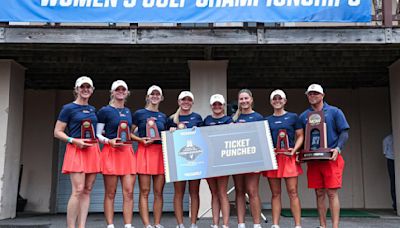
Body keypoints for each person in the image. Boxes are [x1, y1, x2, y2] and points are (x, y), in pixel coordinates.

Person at [299, 84, 349, 228]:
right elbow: (301, 137)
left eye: (315, 93)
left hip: (331, 158)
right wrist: (299, 151)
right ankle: (322, 225)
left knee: (332, 193)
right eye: (309, 94)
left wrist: (338, 149)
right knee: (319, 193)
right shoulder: (304, 116)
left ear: (322, 95)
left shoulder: (335, 112)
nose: (312, 96)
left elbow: (344, 132)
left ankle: (335, 226)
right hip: (313, 160)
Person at [53, 76, 101, 228]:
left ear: (92, 90)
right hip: (76, 149)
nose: (85, 90)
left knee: (87, 190)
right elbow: (57, 132)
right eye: (82, 87)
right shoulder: (68, 108)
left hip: (92, 150)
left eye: (88, 87)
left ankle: (82, 226)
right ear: (76, 90)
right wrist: (74, 141)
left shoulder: (93, 109)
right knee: (78, 190)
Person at [96, 80, 137, 228]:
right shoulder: (104, 111)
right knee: (110, 193)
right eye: (117, 89)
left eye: (123, 89)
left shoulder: (128, 111)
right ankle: (110, 225)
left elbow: (130, 133)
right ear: (112, 92)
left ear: (127, 93)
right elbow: (97, 134)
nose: (120, 91)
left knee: (129, 192)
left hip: (126, 152)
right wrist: (109, 141)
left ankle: (127, 225)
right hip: (111, 152)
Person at [263, 89, 303, 228]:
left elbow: (301, 136)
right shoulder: (267, 120)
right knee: (275, 193)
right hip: (274, 159)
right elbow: (264, 139)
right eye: (274, 98)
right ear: (271, 102)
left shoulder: (293, 117)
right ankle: (275, 224)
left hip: (289, 158)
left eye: (280, 98)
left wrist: (295, 150)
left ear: (285, 101)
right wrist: (270, 150)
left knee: (293, 192)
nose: (277, 101)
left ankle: (298, 225)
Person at [131, 85, 168, 228]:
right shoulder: (139, 114)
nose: (155, 96)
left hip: (159, 153)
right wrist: (140, 140)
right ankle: (147, 224)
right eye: (152, 94)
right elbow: (129, 133)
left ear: (161, 97)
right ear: (147, 96)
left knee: (159, 192)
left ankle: (157, 223)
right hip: (144, 151)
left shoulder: (163, 117)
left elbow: (166, 136)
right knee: (145, 191)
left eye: (157, 94)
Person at [168, 91, 203, 228]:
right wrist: (170, 132)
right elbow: (165, 139)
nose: (186, 102)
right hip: (178, 161)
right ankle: (180, 224)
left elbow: (203, 138)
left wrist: (197, 132)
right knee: (179, 192)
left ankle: (193, 223)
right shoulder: (171, 119)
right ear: (178, 102)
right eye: (183, 100)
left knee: (194, 192)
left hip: (194, 159)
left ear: (192, 102)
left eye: (189, 100)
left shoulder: (198, 118)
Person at [231, 89, 264, 228]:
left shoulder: (258, 117)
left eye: (246, 98)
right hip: (237, 159)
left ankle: (256, 224)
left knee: (252, 190)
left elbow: (262, 140)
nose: (244, 101)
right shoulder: (233, 119)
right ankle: (241, 223)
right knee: (239, 190)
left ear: (251, 100)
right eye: (241, 99)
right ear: (238, 101)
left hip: (253, 159)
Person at [203, 94, 233, 228]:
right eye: (214, 104)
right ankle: (215, 223)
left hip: (223, 160)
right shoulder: (206, 120)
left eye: (219, 104)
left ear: (223, 106)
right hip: (209, 160)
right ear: (211, 106)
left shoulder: (228, 120)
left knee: (222, 192)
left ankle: (225, 224)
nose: (217, 106)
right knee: (214, 193)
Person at [383, 133, 397, 213]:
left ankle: (395, 205)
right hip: (391, 160)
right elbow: (385, 152)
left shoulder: (387, 139)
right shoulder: (387, 139)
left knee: (393, 182)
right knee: (393, 182)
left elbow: (385, 153)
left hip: (390, 158)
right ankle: (395, 205)